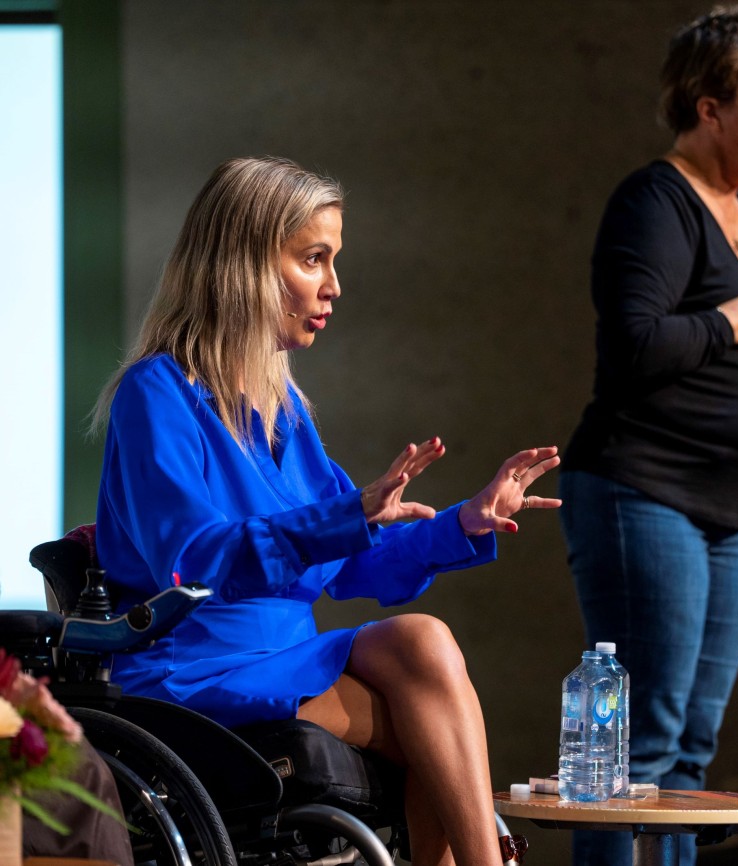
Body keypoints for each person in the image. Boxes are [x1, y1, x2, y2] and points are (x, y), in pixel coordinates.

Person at [90, 156, 560, 866]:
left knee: (423, 641)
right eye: (314, 260)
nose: (334, 287)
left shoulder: (282, 414)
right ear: (243, 263)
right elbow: (193, 561)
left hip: (282, 658)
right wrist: (346, 517)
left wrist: (465, 522)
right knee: (431, 732)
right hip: (191, 671)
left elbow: (351, 558)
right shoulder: (154, 395)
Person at [559, 5, 738, 864]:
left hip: (727, 510)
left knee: (692, 756)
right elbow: (636, 348)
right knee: (635, 753)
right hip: (645, 493)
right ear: (709, 106)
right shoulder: (655, 203)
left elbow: (730, 363)